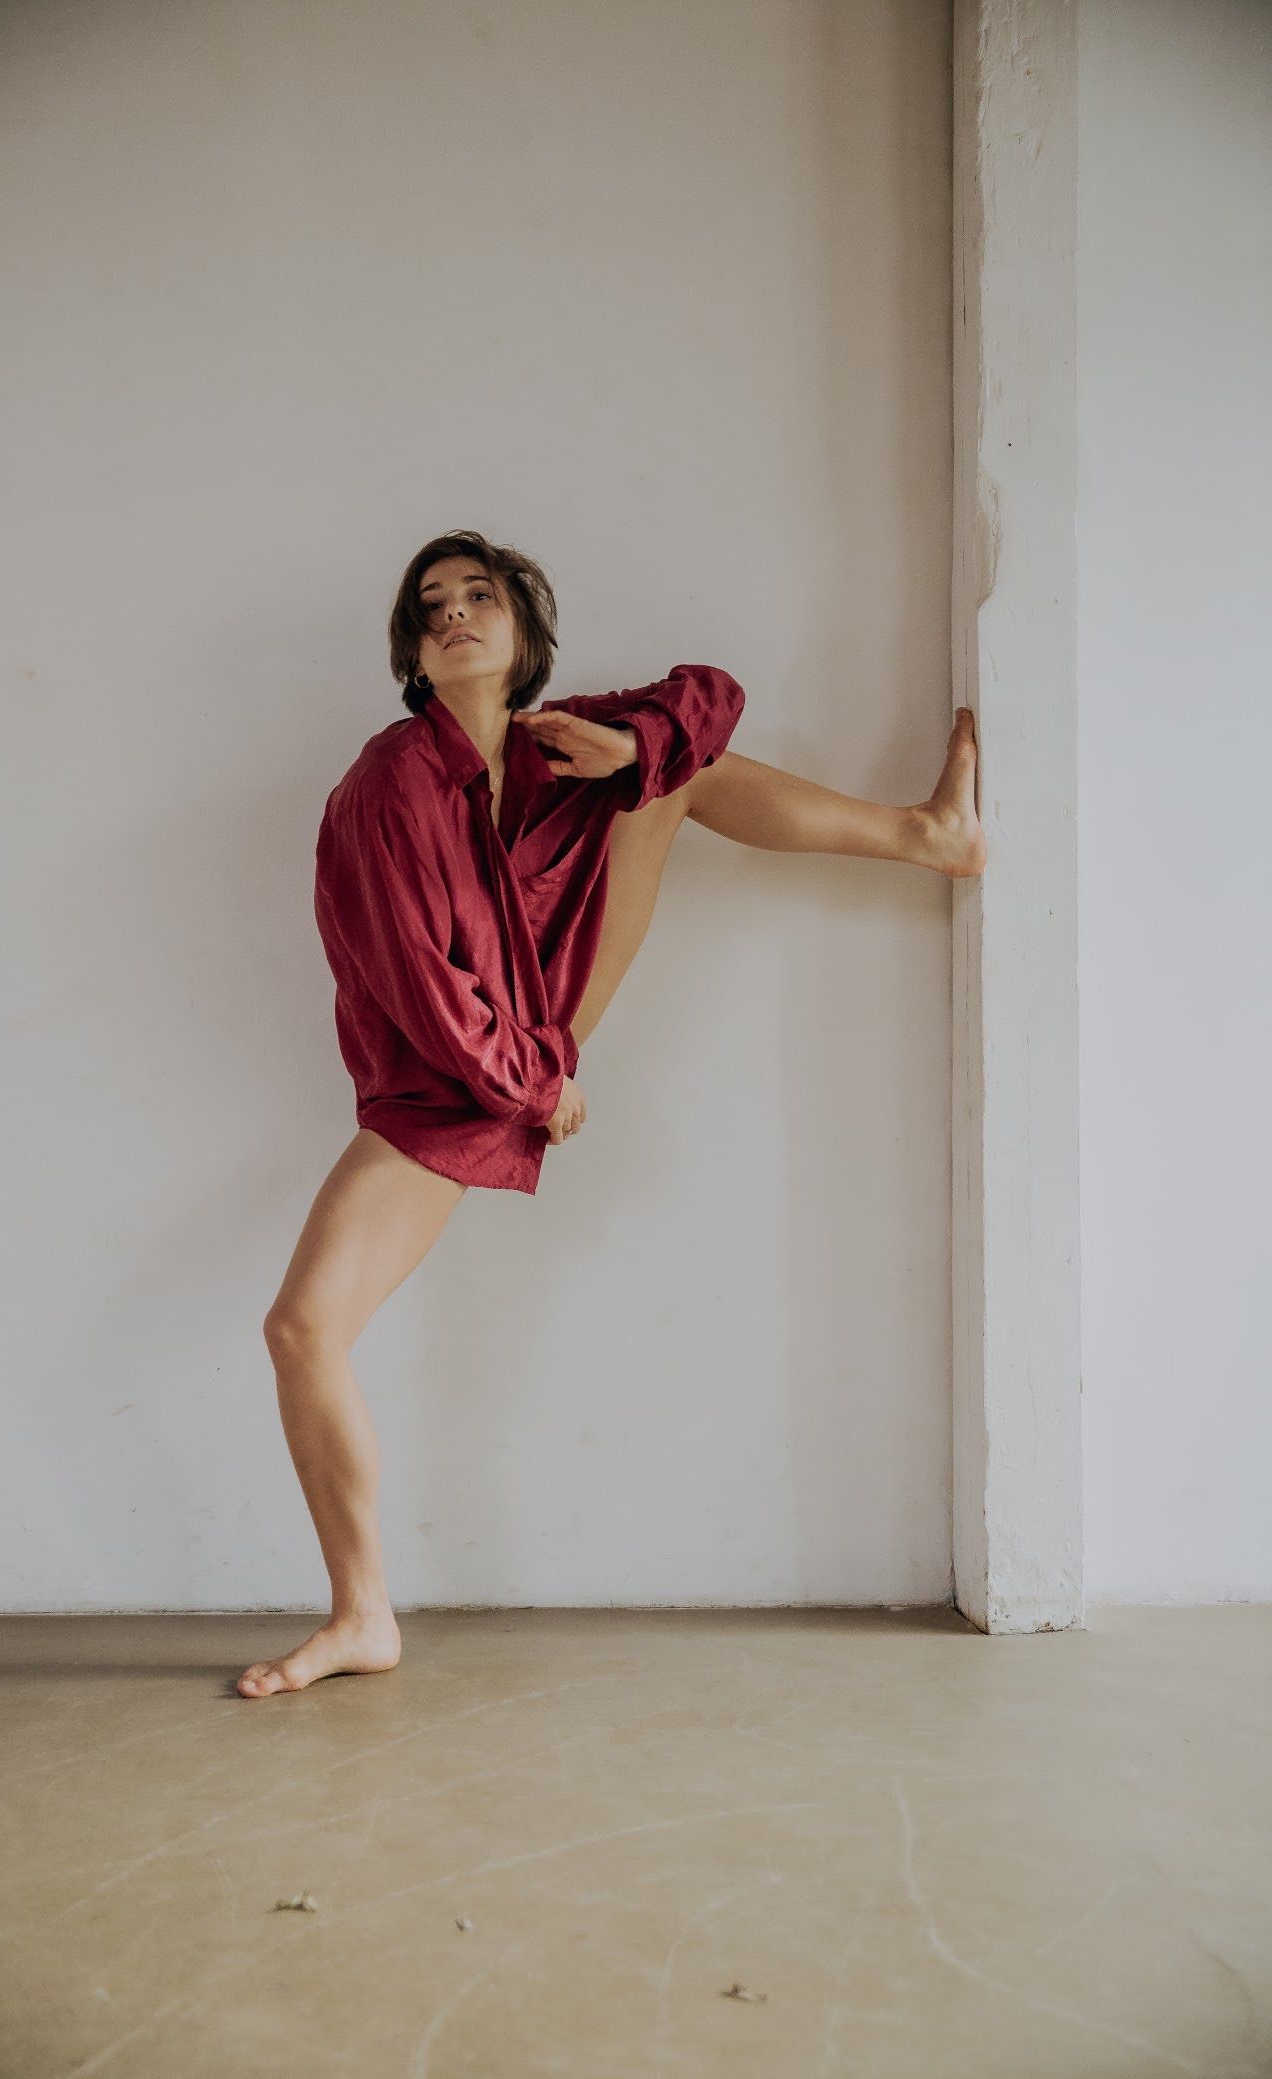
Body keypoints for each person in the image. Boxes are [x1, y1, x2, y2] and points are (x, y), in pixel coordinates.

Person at [237, 529, 985, 1698]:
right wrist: (539, 1085)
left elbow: (713, 698)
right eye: (430, 608)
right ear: (413, 655)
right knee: (302, 1332)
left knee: (671, 761)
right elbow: (425, 990)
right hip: (451, 1084)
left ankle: (924, 837)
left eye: (479, 597)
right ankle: (363, 1615)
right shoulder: (390, 782)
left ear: (524, 632)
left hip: (539, 1020)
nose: (454, 616)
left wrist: (629, 741)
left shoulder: (548, 746)